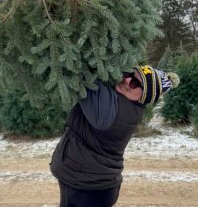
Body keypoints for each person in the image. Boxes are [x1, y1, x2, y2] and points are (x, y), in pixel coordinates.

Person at [50, 65, 179, 207]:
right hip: (95, 182)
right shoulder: (131, 104)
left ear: (145, 97)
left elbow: (83, 73)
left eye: (135, 83)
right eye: (129, 74)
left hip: (85, 188)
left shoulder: (110, 115)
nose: (127, 80)